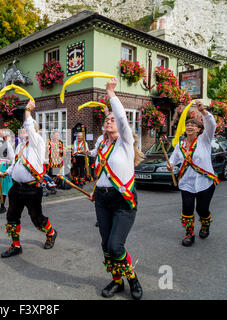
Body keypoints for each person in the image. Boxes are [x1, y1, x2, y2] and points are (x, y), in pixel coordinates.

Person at [88, 78, 144, 300]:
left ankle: (132, 279)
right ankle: (117, 281)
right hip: (102, 199)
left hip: (124, 201)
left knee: (115, 244)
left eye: (112, 119)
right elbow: (103, 172)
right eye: (107, 119)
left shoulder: (125, 142)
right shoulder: (102, 145)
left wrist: (111, 94)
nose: (109, 121)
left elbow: (121, 117)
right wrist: (96, 189)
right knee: (105, 244)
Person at [0, 100, 57, 258]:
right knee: (11, 216)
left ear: (34, 130)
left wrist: (28, 111)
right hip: (17, 188)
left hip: (32, 189)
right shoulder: (20, 145)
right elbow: (16, 164)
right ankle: (16, 245)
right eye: (22, 127)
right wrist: (6, 173)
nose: (23, 128)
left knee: (37, 218)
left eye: (26, 127)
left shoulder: (38, 143)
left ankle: (50, 233)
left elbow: (30, 126)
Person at [167, 100, 219, 247]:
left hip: (205, 183)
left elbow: (211, 125)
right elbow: (174, 158)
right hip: (186, 183)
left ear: (199, 129)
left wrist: (203, 112)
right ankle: (189, 234)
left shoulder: (205, 140)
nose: (189, 126)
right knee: (187, 208)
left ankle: (205, 225)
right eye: (188, 124)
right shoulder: (180, 145)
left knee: (201, 209)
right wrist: (170, 165)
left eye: (193, 125)